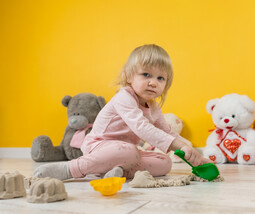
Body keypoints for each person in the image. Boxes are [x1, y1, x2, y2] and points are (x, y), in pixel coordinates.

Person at [34, 44, 213, 180]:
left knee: (164, 163)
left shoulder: (154, 106)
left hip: (125, 151)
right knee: (129, 152)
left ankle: (117, 171)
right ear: (128, 76)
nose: (153, 82)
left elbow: (166, 131)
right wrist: (180, 146)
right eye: (146, 75)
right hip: (99, 145)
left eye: (160, 78)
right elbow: (142, 128)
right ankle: (72, 169)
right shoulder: (124, 97)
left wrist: (191, 152)